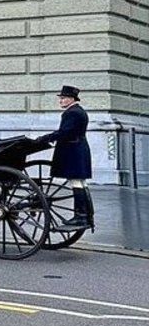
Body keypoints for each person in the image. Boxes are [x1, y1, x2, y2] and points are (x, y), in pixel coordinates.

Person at [39, 85, 94, 232]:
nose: (60, 101)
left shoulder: (72, 113)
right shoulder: (79, 111)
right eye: (61, 98)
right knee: (80, 182)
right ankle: (87, 215)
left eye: (63, 98)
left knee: (76, 182)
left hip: (73, 150)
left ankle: (80, 216)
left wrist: (47, 138)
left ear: (71, 99)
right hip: (78, 148)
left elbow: (65, 132)